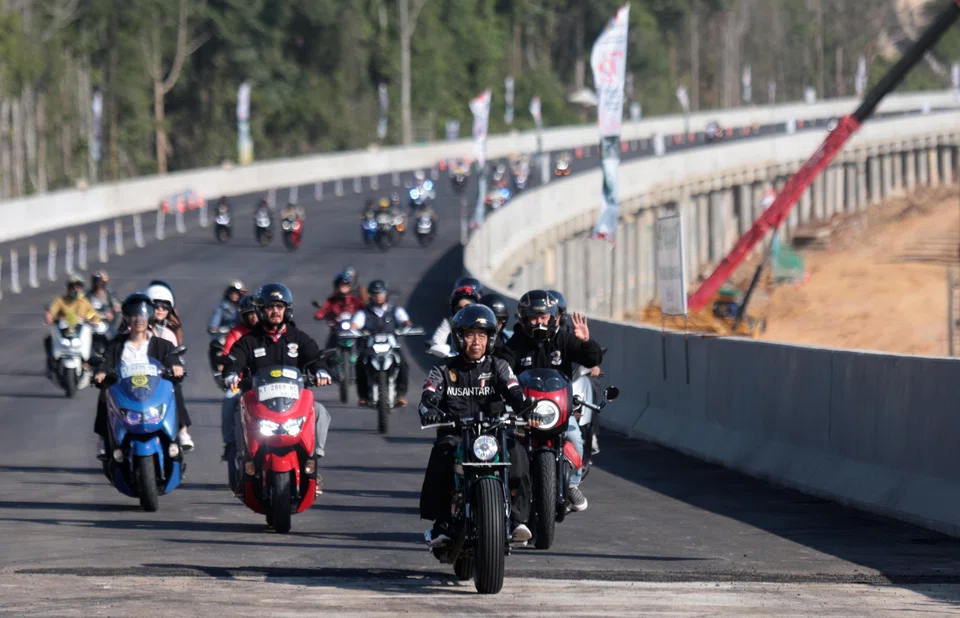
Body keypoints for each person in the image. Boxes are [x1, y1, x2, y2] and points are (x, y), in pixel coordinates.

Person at [419, 304, 535, 546]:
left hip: (494, 435)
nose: (475, 342)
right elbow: (429, 392)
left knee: (519, 452)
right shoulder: (444, 369)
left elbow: (514, 391)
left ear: (490, 339)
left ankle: (518, 520)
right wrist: (429, 408)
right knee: (441, 453)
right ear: (459, 338)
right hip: (457, 435)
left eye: (482, 335)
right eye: (470, 335)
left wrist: (525, 407)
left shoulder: (499, 367)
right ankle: (441, 524)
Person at [221, 283, 334, 495]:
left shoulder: (298, 337)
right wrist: (232, 373)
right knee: (238, 413)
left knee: (319, 410)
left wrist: (322, 372)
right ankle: (244, 463)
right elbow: (234, 359)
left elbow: (315, 357)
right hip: (259, 402)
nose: (275, 311)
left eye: (279, 307)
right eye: (270, 307)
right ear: (262, 310)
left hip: (293, 404)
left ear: (287, 310)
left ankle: (313, 462)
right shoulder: (250, 340)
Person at [497, 289, 603, 512]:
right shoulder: (515, 343)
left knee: (575, 437)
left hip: (558, 407)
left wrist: (585, 342)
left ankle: (572, 483)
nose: (539, 322)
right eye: (533, 318)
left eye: (543, 317)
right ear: (524, 319)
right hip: (524, 410)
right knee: (508, 446)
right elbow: (502, 367)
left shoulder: (563, 339)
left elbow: (591, 358)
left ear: (553, 317)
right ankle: (506, 491)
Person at [92, 293, 190, 459]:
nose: (139, 320)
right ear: (127, 319)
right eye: (135, 316)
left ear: (150, 318)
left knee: (175, 388)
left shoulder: (161, 344)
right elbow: (106, 361)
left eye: (143, 315)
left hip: (153, 391)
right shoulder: (117, 344)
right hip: (127, 392)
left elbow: (172, 357)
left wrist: (176, 367)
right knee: (105, 392)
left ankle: (181, 431)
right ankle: (104, 438)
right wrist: (102, 372)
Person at [350, 279, 412, 406]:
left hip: (392, 346)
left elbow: (405, 321)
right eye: (375, 294)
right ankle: (363, 396)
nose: (378, 297)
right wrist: (354, 330)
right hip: (371, 347)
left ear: (386, 294)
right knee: (360, 363)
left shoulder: (395, 310)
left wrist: (405, 326)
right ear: (370, 296)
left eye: (381, 294)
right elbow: (354, 325)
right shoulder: (364, 312)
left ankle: (400, 395)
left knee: (404, 364)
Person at [218, 294, 261, 462]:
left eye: (256, 313)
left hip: (268, 382)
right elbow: (227, 355)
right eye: (250, 313)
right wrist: (229, 371)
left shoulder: (268, 332)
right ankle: (229, 442)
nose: (254, 317)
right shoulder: (236, 332)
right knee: (229, 399)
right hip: (241, 382)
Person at [43, 275, 103, 378]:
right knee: (48, 340)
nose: (76, 290)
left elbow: (94, 315)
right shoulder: (61, 300)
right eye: (74, 287)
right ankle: (51, 366)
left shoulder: (84, 302)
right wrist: (50, 316)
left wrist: (92, 319)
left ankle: (92, 368)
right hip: (65, 333)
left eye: (78, 287)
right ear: (69, 288)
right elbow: (52, 311)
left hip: (80, 333)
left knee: (95, 344)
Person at [426, 281, 481, 357]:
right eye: (459, 308)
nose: (463, 311)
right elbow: (440, 335)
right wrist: (435, 345)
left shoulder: (483, 321)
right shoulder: (451, 321)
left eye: (467, 307)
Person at [314, 272, 365, 350]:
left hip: (354, 329)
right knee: (328, 351)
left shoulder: (355, 300)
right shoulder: (332, 300)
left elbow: (365, 310)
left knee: (365, 345)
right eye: (341, 286)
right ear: (336, 287)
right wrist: (323, 315)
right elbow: (323, 311)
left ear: (350, 286)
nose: (343, 288)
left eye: (345, 286)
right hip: (337, 330)